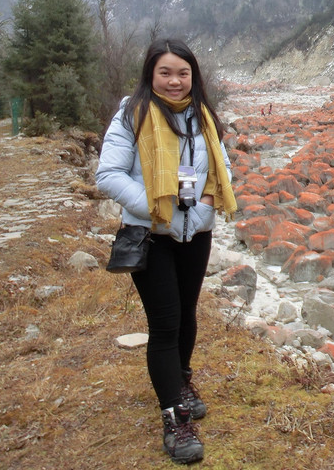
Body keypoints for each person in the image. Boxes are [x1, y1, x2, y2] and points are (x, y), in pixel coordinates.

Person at [96, 39, 237, 465]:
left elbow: (221, 168)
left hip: (197, 232)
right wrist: (161, 211)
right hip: (149, 234)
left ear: (193, 77)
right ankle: (173, 417)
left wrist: (207, 205)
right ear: (150, 75)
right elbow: (109, 175)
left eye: (183, 74)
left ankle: (181, 380)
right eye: (166, 73)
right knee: (165, 324)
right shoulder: (133, 114)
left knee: (188, 314)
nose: (175, 82)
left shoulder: (203, 115)